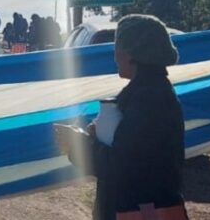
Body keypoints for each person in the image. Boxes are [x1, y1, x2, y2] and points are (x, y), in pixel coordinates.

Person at [54, 14, 187, 220]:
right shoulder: (148, 92)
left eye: (117, 47)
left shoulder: (149, 100)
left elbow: (122, 167)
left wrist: (77, 145)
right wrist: (94, 136)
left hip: (138, 212)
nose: (114, 56)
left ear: (133, 53)